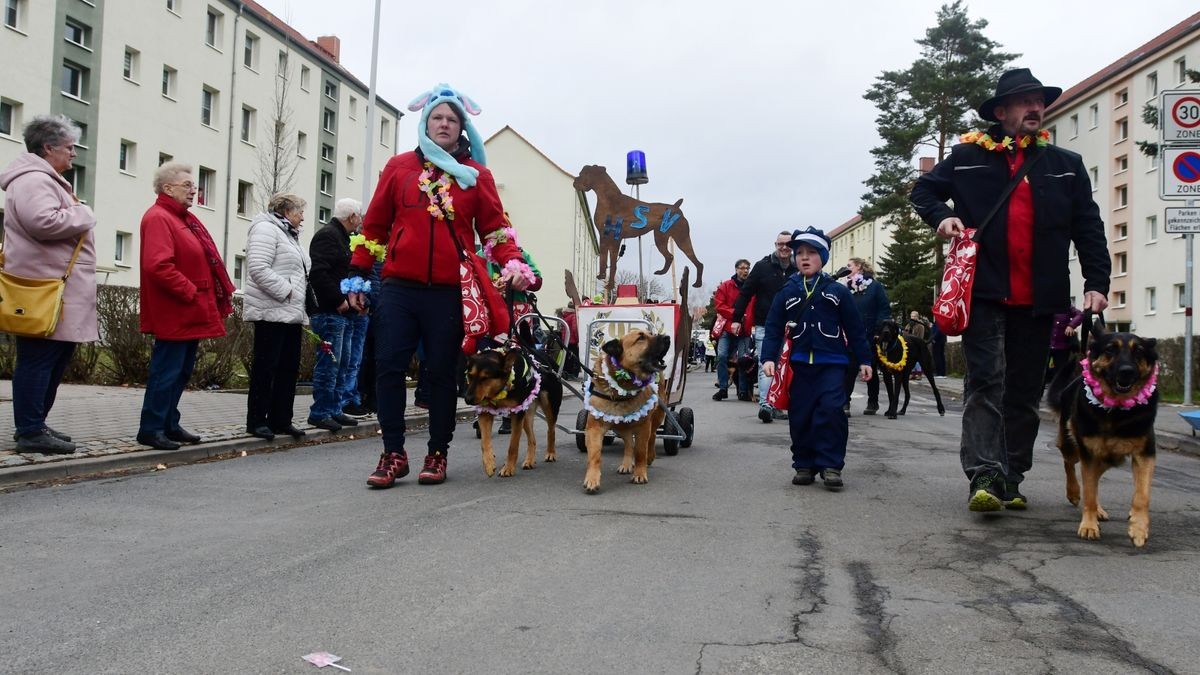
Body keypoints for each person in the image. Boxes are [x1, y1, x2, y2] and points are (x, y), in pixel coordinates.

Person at [911, 68, 1110, 512]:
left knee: (1023, 392)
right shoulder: (966, 156)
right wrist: (941, 216)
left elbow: (1089, 227)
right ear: (1001, 112)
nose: (1035, 107)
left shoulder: (1066, 165)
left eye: (1039, 100)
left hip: (1040, 299)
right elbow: (922, 190)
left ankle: (1012, 475)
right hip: (983, 293)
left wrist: (1097, 283)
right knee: (986, 382)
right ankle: (984, 473)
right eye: (1025, 101)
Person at [348, 83, 534, 488]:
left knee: (441, 375)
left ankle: (438, 452)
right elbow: (374, 227)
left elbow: (495, 231)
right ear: (425, 123)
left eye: (452, 119)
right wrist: (359, 275)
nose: (445, 124)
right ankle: (393, 453)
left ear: (462, 126)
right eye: (438, 117)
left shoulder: (476, 176)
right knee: (389, 368)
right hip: (398, 285)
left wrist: (514, 263)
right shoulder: (398, 168)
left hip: (450, 290)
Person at [0, 115, 97, 455]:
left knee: (52, 359)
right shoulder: (33, 180)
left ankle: (35, 422)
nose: (74, 153)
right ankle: (29, 429)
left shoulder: (44, 179)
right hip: (44, 289)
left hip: (54, 286)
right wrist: (84, 214)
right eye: (69, 148)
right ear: (48, 148)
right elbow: (42, 222)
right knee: (39, 360)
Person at [761, 227, 872, 490]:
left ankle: (831, 465)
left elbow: (855, 328)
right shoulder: (787, 292)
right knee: (801, 415)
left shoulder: (837, 291)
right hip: (799, 365)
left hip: (832, 363)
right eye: (800, 253)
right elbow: (774, 326)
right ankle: (804, 464)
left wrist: (865, 359)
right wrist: (768, 358)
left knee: (832, 411)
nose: (805, 257)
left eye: (811, 252)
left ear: (823, 257)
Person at [137, 161, 235, 450]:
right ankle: (151, 427)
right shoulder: (159, 217)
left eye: (195, 185)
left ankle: (168, 422)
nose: (195, 190)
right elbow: (158, 264)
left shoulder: (182, 218)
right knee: (166, 371)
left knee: (180, 371)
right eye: (188, 185)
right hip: (175, 309)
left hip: (188, 309)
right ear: (168, 188)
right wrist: (190, 291)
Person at [243, 193, 312, 441]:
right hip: (270, 310)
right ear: (285, 211)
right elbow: (258, 267)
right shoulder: (265, 229)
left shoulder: (289, 235)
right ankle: (257, 420)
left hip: (290, 312)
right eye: (299, 211)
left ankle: (281, 419)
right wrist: (288, 291)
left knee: (288, 368)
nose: (303, 217)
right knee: (266, 368)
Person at [305, 198, 364, 432]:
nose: (360, 221)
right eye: (358, 216)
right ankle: (320, 411)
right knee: (330, 364)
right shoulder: (327, 236)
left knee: (343, 364)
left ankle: (335, 408)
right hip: (330, 312)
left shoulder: (345, 238)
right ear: (351, 217)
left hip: (345, 313)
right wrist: (338, 299)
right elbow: (319, 273)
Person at [730, 231, 798, 423]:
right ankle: (766, 405)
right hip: (766, 325)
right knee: (767, 363)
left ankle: (781, 403)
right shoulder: (762, 267)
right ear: (775, 245)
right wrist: (736, 318)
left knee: (791, 366)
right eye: (780, 244)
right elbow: (745, 293)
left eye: (787, 244)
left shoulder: (798, 268)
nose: (784, 247)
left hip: (794, 326)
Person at [842, 257, 890, 415]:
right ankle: (845, 402)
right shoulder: (846, 287)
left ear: (859, 267)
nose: (847, 269)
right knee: (849, 368)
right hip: (848, 334)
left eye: (849, 266)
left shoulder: (874, 286)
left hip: (869, 333)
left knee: (870, 368)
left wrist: (878, 330)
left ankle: (873, 401)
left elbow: (884, 308)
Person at [713, 259, 756, 401]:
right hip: (727, 328)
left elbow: (756, 306)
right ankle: (723, 388)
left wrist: (748, 320)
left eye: (747, 268)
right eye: (742, 268)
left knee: (743, 360)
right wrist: (737, 315)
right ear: (736, 269)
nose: (745, 271)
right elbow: (720, 305)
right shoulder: (726, 286)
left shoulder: (753, 288)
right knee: (722, 356)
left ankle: (743, 391)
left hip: (744, 330)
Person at [1046, 304, 1083, 385]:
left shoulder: (1066, 305)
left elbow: (1080, 314)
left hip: (1062, 347)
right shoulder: (1045, 305)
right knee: (1041, 372)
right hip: (1045, 345)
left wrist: (1071, 325)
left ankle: (1059, 393)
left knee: (1060, 373)